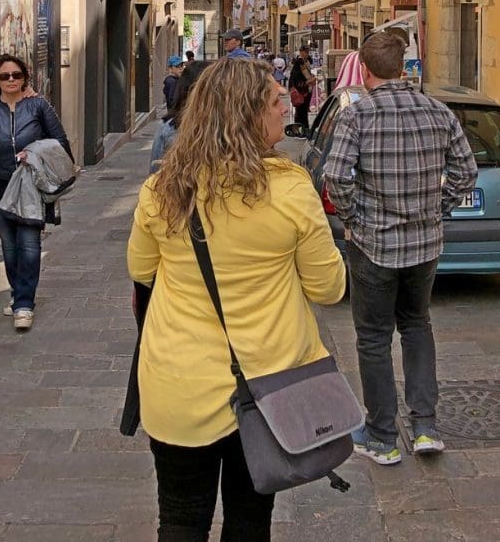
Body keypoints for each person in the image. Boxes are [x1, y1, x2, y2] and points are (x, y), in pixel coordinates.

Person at [128, 58, 345, 540]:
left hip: (177, 384)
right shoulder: (290, 190)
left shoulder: (162, 189)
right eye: (273, 100)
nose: (284, 103)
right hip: (269, 389)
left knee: (180, 520)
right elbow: (329, 288)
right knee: (250, 523)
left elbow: (141, 270)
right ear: (247, 116)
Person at [325, 32, 477, 464]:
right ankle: (426, 427)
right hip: (425, 245)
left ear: (365, 71)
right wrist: (438, 209)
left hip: (374, 245)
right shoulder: (439, 111)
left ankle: (382, 437)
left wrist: (355, 220)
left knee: (373, 339)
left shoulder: (358, 116)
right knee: (417, 326)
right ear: (402, 67)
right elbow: (467, 172)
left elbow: (336, 178)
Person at [0, 54, 72, 332]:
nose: (11, 80)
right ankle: (17, 293)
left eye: (16, 75)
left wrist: (34, 152)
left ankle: (25, 304)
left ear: (25, 78)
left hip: (31, 187)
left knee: (29, 245)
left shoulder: (38, 106)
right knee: (10, 249)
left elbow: (59, 142)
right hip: (1, 186)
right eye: (4, 76)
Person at [148, 60, 210, 174]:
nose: (180, 68)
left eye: (181, 66)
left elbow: (154, 176)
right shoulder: (228, 128)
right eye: (177, 66)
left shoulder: (167, 127)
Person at [288, 44, 316, 130]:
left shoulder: (306, 61)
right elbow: (296, 77)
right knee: (301, 110)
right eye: (305, 52)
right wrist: (307, 82)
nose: (307, 53)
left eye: (308, 52)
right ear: (301, 52)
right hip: (301, 90)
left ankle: (303, 128)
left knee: (303, 110)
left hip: (306, 89)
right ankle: (300, 129)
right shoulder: (299, 62)